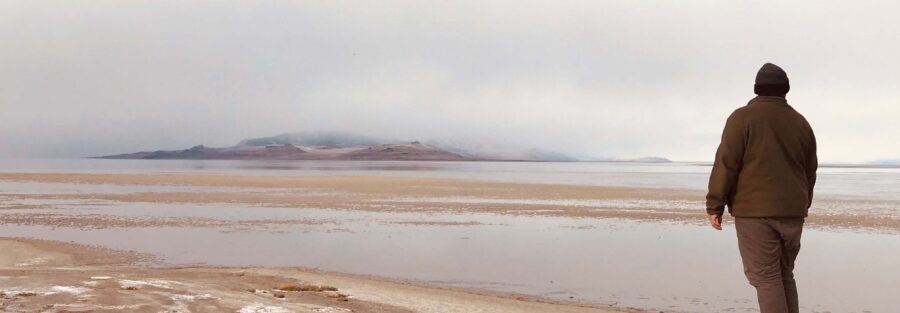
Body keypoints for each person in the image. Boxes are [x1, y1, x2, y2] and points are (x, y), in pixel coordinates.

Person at [706, 63, 817, 313]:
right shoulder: (801, 122)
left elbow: (726, 162)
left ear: (757, 89)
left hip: (755, 212)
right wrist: (802, 202)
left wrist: (715, 204)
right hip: (793, 211)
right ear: (785, 90)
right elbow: (810, 171)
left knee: (766, 277)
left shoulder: (742, 118)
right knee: (784, 275)